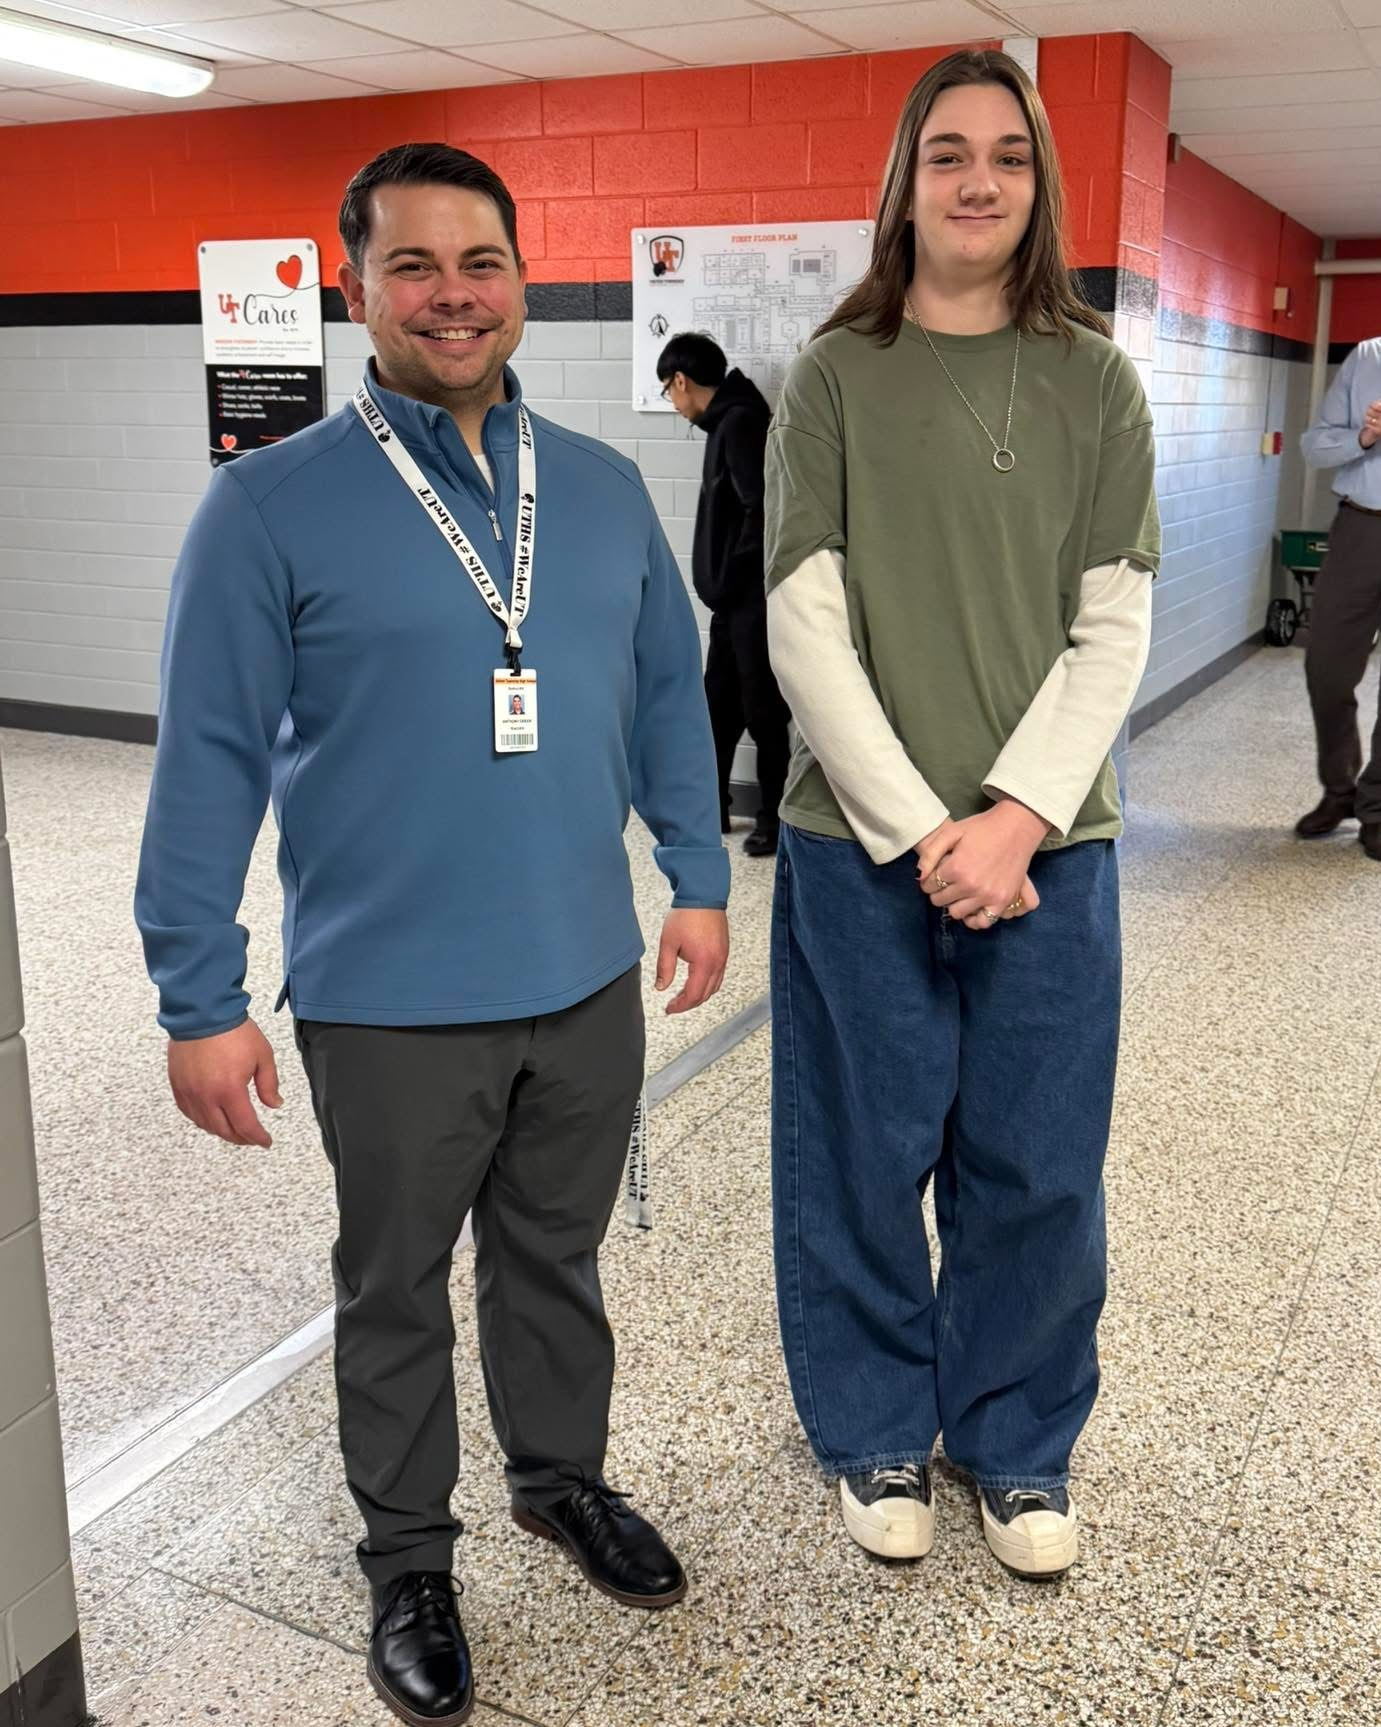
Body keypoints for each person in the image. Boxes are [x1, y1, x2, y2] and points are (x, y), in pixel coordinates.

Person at [135, 143, 730, 1727]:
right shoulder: (267, 507)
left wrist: (696, 871)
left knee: (556, 1253)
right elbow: (204, 759)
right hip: (389, 999)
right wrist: (197, 992)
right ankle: (408, 1552)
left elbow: (669, 696)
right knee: (393, 1280)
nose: (452, 294)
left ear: (524, 278)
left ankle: (559, 1477)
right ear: (358, 290)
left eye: (481, 261)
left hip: (584, 977)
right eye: (413, 266)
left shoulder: (600, 492)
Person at [763, 49, 1159, 1580]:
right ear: (904, 181)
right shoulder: (833, 374)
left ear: (1039, 181)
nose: (977, 179)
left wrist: (1009, 817)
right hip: (853, 843)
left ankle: (1016, 1440)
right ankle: (872, 1426)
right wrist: (924, 822)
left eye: (1005, 153)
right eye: (947, 154)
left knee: (1037, 1153)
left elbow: (1111, 621)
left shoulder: (1094, 379)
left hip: (1053, 848)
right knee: (860, 1144)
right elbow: (803, 618)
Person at [658, 331, 792, 856]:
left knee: (763, 712)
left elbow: (761, 511)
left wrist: (733, 581)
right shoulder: (728, 421)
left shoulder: (739, 423)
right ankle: (709, 806)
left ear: (682, 381)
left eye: (670, 391)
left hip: (750, 603)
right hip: (732, 603)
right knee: (716, 707)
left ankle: (772, 822)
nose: (673, 403)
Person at [1298, 334, 1381, 859]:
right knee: (1326, 668)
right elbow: (1314, 445)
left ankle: (1377, 805)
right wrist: (1366, 437)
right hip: (1361, 527)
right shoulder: (1369, 356)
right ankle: (1340, 790)